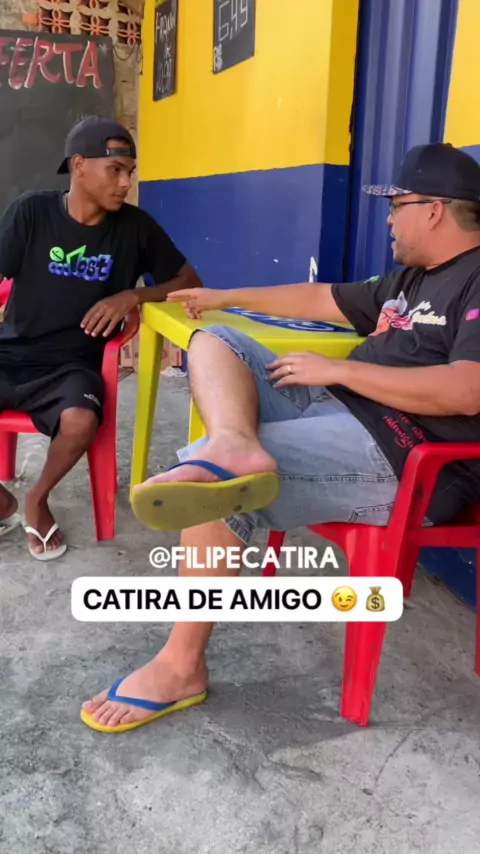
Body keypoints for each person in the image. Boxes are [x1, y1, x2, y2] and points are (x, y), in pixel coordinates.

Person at [82, 142, 480, 733]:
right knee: (215, 341)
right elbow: (322, 298)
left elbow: (468, 390)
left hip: (406, 454)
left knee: (213, 488)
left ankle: (181, 666)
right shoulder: (413, 280)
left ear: (434, 210)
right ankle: (233, 443)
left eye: (396, 206)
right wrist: (225, 297)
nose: (389, 220)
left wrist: (340, 371)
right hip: (341, 412)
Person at [0, 115, 202, 559]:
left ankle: (36, 499)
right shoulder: (31, 213)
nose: (126, 182)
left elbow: (189, 280)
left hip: (74, 367)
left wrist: (133, 295)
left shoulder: (136, 228)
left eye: (130, 171)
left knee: (80, 423)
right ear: (79, 166)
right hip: (11, 352)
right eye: (115, 170)